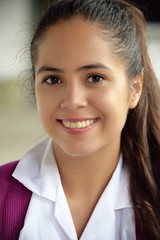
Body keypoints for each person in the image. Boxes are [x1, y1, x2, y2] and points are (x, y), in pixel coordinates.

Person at [0, 0, 160, 239]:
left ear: (134, 88)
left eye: (95, 77)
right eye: (53, 79)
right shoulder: (4, 198)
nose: (73, 100)